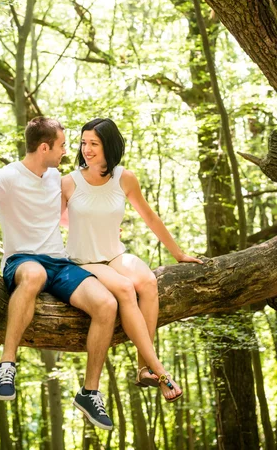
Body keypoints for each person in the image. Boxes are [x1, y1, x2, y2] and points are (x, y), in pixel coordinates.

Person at [0, 117, 118, 430]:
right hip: (22, 260)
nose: (67, 152)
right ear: (44, 147)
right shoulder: (10, 176)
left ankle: (89, 392)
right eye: (62, 146)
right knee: (34, 276)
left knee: (107, 305)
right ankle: (7, 364)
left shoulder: (55, 178)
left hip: (59, 262)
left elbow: (71, 215)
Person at [62, 117, 203, 403]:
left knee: (148, 282)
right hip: (82, 260)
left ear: (109, 146)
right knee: (126, 290)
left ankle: (143, 369)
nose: (86, 149)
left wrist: (178, 253)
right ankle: (160, 371)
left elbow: (149, 216)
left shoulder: (124, 178)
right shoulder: (68, 182)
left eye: (94, 144)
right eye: (83, 143)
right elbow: (52, 219)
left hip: (115, 254)